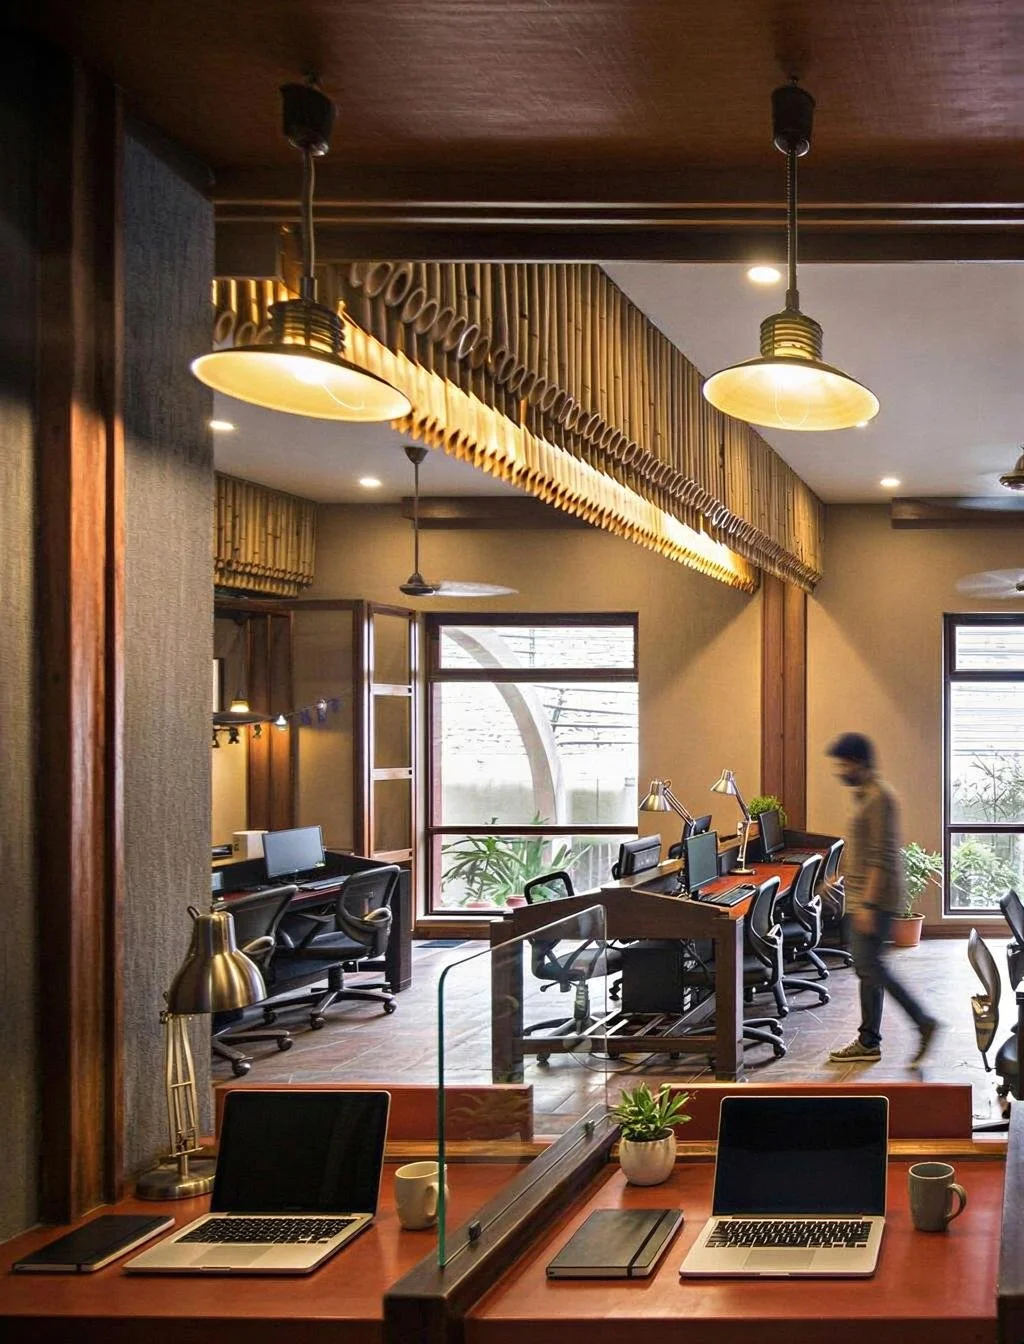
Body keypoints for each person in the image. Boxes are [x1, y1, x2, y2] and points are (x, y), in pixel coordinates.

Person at [824, 732, 940, 1067]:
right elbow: (860, 847)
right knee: (868, 968)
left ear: (859, 763)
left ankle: (921, 1022)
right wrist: (838, 877)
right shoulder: (865, 796)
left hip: (873, 901)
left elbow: (880, 856)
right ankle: (869, 1040)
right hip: (864, 898)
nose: (840, 770)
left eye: (844, 763)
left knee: (869, 967)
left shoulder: (878, 797)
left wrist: (867, 905)